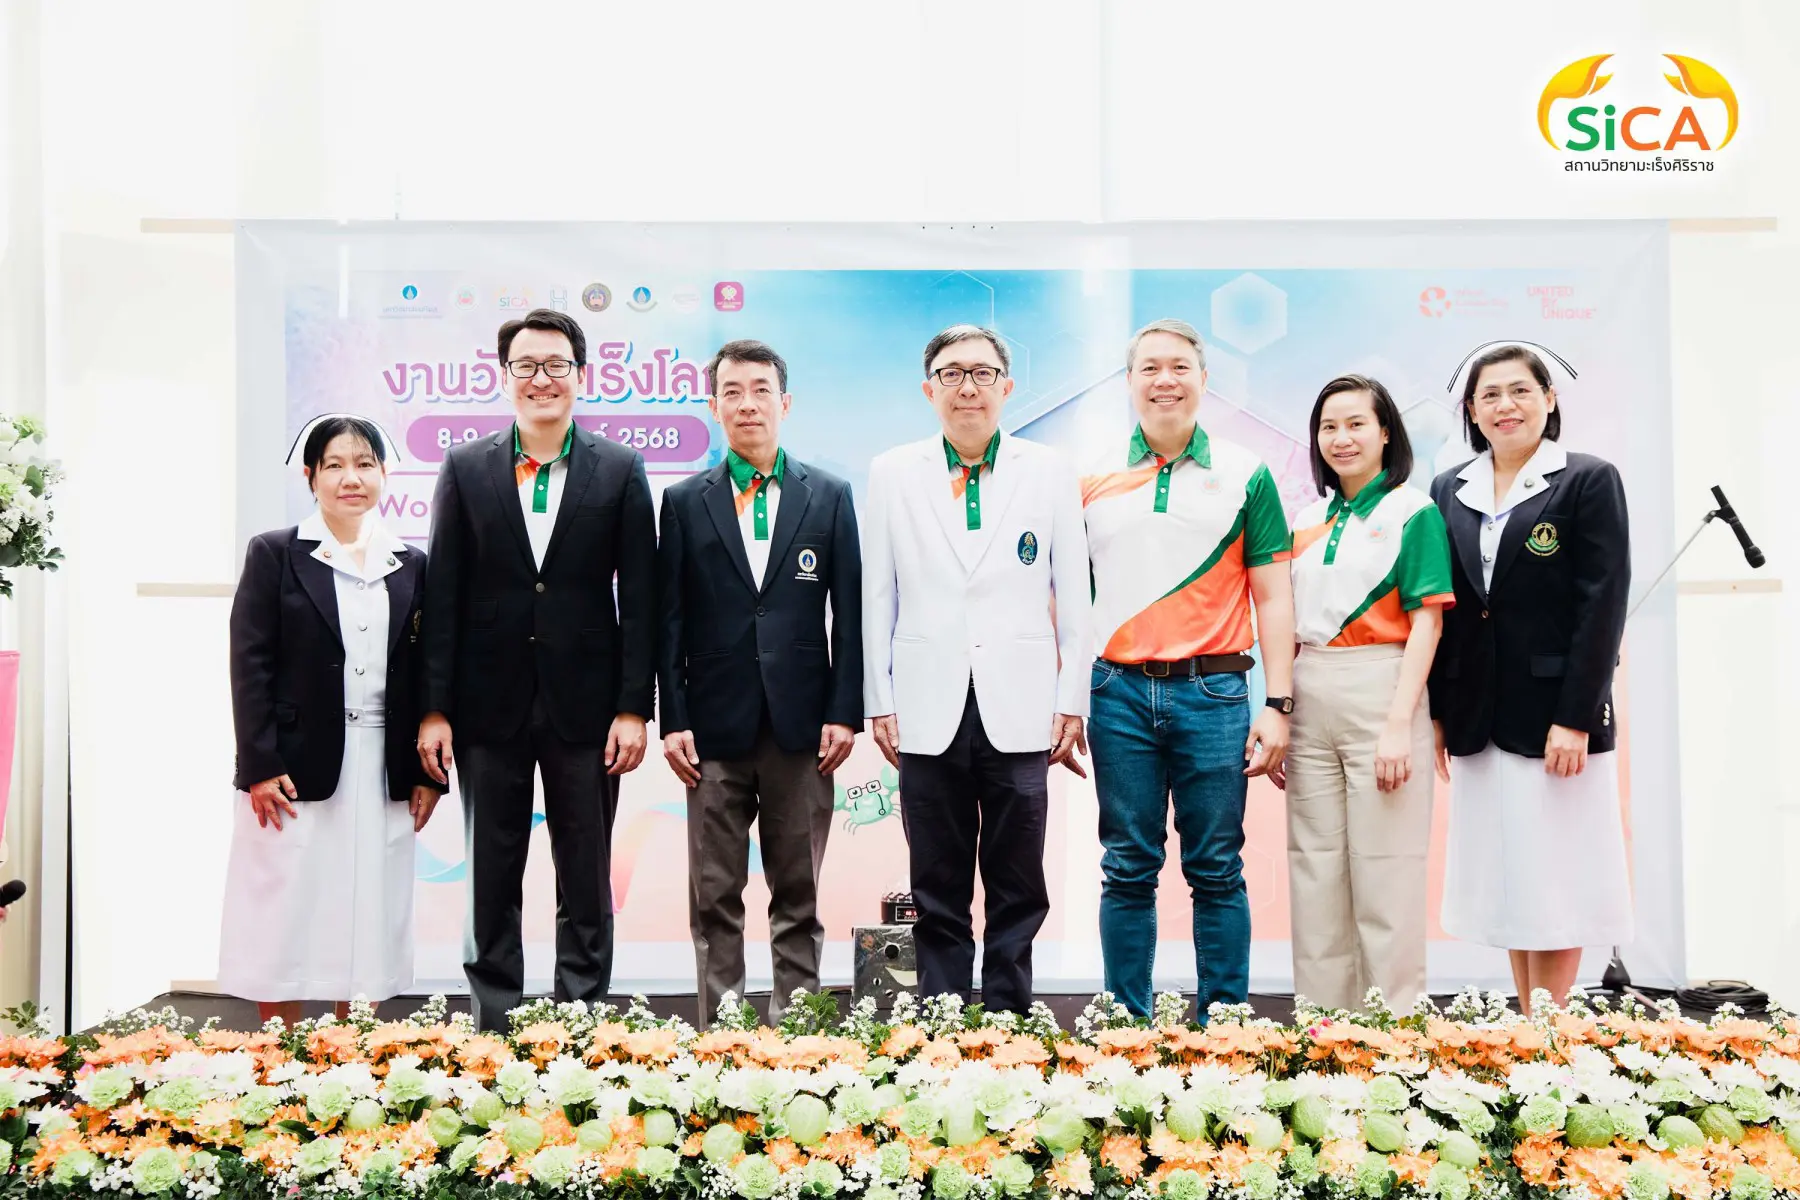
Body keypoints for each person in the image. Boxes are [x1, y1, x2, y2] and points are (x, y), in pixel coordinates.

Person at [418, 308, 656, 1031]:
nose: (541, 379)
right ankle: (493, 1020)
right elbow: (443, 594)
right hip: (487, 705)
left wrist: (633, 706)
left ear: (581, 375)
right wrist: (435, 707)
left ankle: (581, 1019)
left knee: (584, 871)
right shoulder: (465, 468)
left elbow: (641, 597)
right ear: (505, 376)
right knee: (491, 873)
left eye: (556, 365)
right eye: (526, 366)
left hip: (588, 707)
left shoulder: (620, 468)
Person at [862, 324, 1091, 1013]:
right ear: (928, 389)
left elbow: (1074, 596)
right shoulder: (892, 472)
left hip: (1022, 706)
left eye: (983, 373)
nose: (968, 386)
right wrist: (879, 699)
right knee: (937, 881)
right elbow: (877, 596)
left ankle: (1009, 1016)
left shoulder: (1048, 470)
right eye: (952, 373)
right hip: (925, 705)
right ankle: (942, 1020)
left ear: (1007, 387)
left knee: (1019, 880)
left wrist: (1071, 699)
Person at [1080, 318, 1294, 1020]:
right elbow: (1064, 597)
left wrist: (1278, 704)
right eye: (1149, 367)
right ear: (1129, 381)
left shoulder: (1246, 473)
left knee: (1217, 868)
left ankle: (1225, 1024)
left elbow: (1273, 596)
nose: (1164, 380)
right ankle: (1124, 1027)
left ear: (1204, 378)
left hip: (1216, 692)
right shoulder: (1089, 474)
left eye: (1179, 366)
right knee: (1126, 867)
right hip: (1117, 692)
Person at [656, 340, 863, 1026]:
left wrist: (845, 711)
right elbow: (669, 620)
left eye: (761, 390)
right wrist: (674, 719)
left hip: (803, 728)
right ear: (713, 406)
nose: (748, 404)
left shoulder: (828, 495)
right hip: (712, 730)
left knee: (798, 893)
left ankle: (799, 1033)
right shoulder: (683, 502)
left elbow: (850, 613)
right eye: (732, 391)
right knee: (714, 894)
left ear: (785, 402)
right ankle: (722, 1037)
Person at [1429, 344, 1633, 1007]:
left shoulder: (1587, 479)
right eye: (1489, 395)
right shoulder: (1448, 488)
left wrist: (1576, 717)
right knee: (1513, 883)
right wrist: (1439, 713)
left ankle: (1550, 1028)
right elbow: (1449, 611)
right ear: (1471, 410)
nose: (1505, 406)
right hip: (1479, 715)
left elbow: (1601, 607)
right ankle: (1529, 1023)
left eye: (1520, 390)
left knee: (1556, 883)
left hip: (1554, 718)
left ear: (1549, 398)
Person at [222, 415, 442, 1021]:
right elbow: (250, 663)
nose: (352, 478)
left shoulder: (411, 562)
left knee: (369, 905)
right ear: (310, 476)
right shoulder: (275, 553)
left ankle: (351, 1047)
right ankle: (280, 1049)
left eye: (365, 464)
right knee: (285, 905)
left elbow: (428, 670)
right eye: (336, 465)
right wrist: (259, 764)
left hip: (383, 760)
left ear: (384, 474)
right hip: (294, 762)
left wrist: (425, 774)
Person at [1280, 375, 1453, 1013]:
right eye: (1329, 427)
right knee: (1315, 869)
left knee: (1386, 871)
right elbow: (1284, 621)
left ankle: (1393, 1030)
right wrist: (1280, 709)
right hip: (1311, 689)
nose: (1342, 438)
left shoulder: (1414, 511)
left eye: (1356, 424)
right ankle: (1323, 1028)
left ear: (1386, 433)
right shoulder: (1306, 519)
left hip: (1384, 687)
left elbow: (1428, 622)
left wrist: (1398, 723)